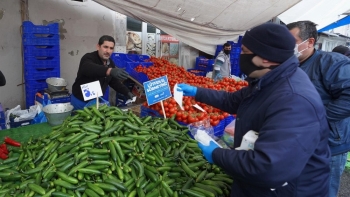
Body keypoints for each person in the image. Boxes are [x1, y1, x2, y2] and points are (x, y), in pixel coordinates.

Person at [178, 23, 330, 196]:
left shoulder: (294, 100)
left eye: (245, 51)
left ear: (265, 58)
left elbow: (268, 166)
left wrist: (217, 154)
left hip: (287, 191)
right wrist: (197, 92)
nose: (241, 56)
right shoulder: (270, 80)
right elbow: (232, 100)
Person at [287, 21, 350, 197]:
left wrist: (315, 119)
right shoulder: (290, 66)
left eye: (291, 40)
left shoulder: (332, 63)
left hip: (329, 143)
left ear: (310, 42)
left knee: (324, 191)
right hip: (299, 142)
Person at [71, 35, 134, 110]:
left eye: (111, 48)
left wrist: (127, 92)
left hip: (95, 102)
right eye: (105, 47)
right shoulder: (88, 58)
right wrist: (109, 70)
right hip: (80, 101)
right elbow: (88, 68)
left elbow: (113, 82)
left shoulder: (111, 63)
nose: (108, 51)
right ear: (98, 47)